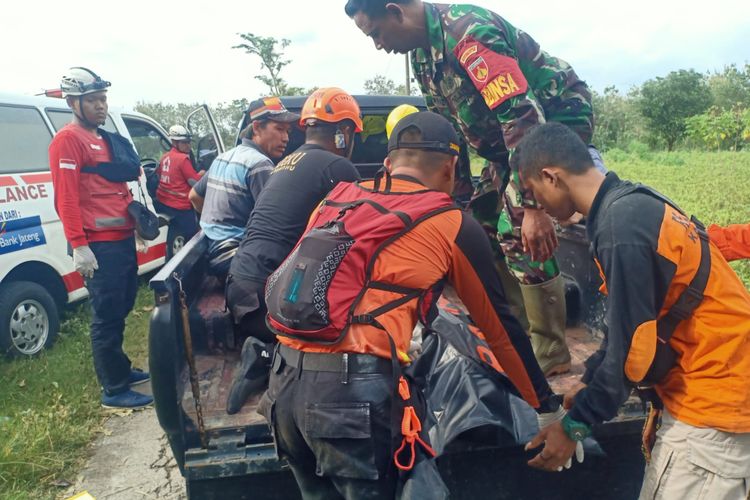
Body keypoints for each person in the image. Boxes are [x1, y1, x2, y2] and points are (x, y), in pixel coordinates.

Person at [259, 112, 573, 499]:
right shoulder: (449, 221)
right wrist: (545, 406)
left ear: (388, 163)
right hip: (350, 402)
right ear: (451, 168)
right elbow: (500, 330)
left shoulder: (336, 198)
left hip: (282, 387)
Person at [345, 0, 608, 376]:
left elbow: (522, 115)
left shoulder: (470, 34)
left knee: (518, 229)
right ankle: (517, 332)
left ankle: (550, 352)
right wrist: (453, 205)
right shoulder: (423, 56)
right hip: (507, 147)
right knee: (478, 227)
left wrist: (534, 207)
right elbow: (448, 133)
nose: (379, 46)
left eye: (376, 33)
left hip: (553, 123)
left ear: (395, 11)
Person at [517, 123, 750, 499]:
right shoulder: (633, 205)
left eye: (533, 192)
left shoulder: (620, 228)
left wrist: (574, 426)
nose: (536, 205)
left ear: (550, 176)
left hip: (714, 402)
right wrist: (589, 379)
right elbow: (626, 322)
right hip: (722, 379)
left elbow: (632, 356)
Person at [225, 87, 362, 413]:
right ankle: (265, 356)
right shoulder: (338, 169)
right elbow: (357, 242)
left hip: (239, 289)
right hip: (268, 304)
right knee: (354, 331)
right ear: (344, 132)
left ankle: (267, 346)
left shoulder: (286, 162)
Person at [48, 67, 152, 409]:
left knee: (122, 304)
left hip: (120, 238)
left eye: (103, 99)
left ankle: (120, 368)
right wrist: (79, 244)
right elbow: (66, 197)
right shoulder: (68, 140)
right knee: (106, 313)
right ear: (73, 102)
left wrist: (134, 224)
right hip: (98, 243)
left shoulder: (102, 138)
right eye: (92, 100)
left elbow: (114, 188)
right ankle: (114, 388)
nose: (100, 106)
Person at [188, 97, 298, 276]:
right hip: (238, 258)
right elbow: (277, 224)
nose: (285, 138)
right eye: (279, 129)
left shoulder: (224, 157)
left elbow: (194, 196)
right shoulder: (260, 164)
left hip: (212, 249)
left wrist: (219, 226)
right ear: (256, 127)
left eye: (287, 131)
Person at [155, 125, 202, 259]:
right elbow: (194, 182)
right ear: (175, 142)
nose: (188, 146)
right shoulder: (183, 159)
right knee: (193, 237)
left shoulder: (164, 157)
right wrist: (203, 174)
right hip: (180, 206)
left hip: (164, 202)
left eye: (188, 143)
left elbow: (160, 175)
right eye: (184, 143)